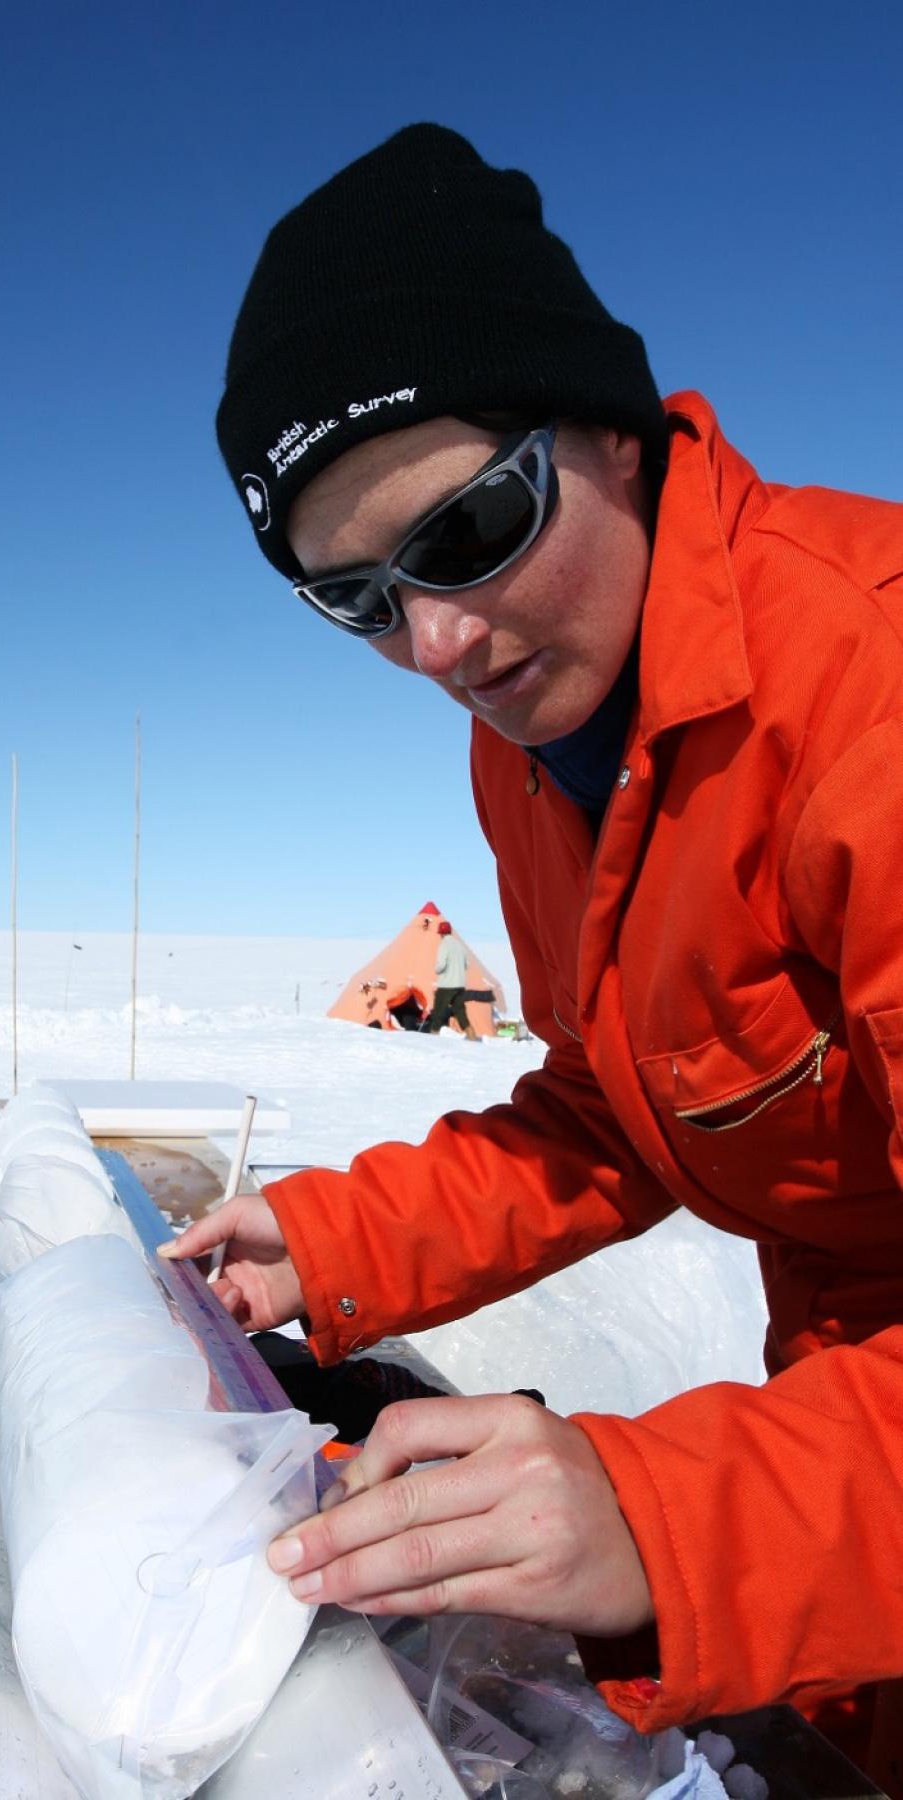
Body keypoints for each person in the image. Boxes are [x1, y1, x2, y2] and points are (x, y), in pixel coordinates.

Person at [166, 122, 903, 1782]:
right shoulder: (540, 760)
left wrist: (665, 1517)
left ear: (616, 438)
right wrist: (320, 1242)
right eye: (351, 600)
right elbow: (618, 1112)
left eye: (472, 528)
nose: (434, 643)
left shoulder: (872, 689)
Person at [417, 919, 490, 1039]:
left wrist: (437, 970)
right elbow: (466, 964)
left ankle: (433, 1035)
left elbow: (441, 965)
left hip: (446, 985)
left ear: (441, 933)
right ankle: (471, 1033)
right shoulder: (459, 946)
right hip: (459, 985)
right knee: (460, 1011)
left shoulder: (444, 945)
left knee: (438, 1011)